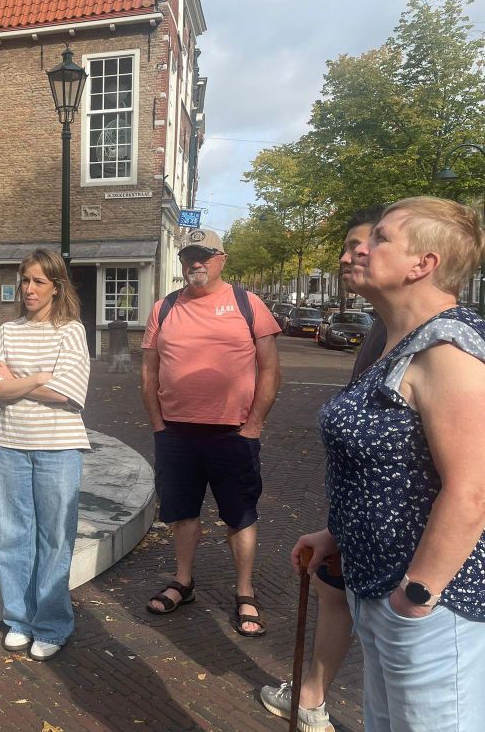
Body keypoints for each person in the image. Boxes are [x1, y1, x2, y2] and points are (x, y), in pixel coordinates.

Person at [296, 196, 485, 732]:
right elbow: (394, 470)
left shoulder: (448, 351)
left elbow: (472, 491)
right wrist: (339, 533)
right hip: (376, 589)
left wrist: (416, 597)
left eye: (380, 238)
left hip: (429, 605)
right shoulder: (394, 343)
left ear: (422, 264)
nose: (361, 247)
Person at [260, 204, 386, 730]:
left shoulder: (437, 340)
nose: (349, 255)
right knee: (334, 592)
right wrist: (339, 525)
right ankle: (309, 698)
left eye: (367, 244)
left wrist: (423, 584)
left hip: (401, 547)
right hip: (356, 514)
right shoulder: (385, 327)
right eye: (346, 246)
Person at [141, 228, 281, 636]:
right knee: (181, 513)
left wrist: (254, 425)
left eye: (204, 256)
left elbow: (270, 369)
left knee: (239, 515)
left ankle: (245, 592)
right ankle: (183, 582)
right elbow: (148, 371)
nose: (195, 264)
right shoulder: (164, 308)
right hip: (176, 434)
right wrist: (157, 424)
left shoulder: (247, 303)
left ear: (222, 259)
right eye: (189, 257)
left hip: (232, 433)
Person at [0, 248, 90, 662]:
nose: (29, 289)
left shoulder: (70, 331)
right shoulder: (7, 331)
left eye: (39, 282)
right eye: (25, 280)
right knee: (12, 534)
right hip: (11, 442)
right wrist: (42, 377)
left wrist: (19, 380)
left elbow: (70, 394)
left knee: (54, 538)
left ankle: (51, 625)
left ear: (56, 287)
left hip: (58, 447)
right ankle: (19, 620)